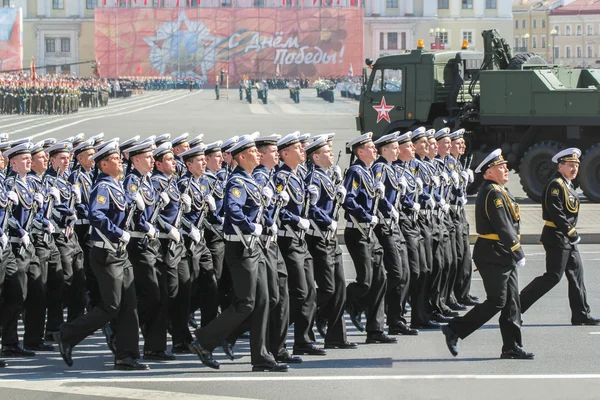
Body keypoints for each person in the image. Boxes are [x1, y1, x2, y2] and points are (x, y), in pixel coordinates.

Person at [189, 134, 288, 372]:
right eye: (253, 152)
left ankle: (261, 356)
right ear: (242, 156)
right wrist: (249, 225)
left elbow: (256, 212)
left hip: (255, 246)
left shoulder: (251, 181)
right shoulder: (238, 182)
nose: (258, 155)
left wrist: (267, 218)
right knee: (246, 303)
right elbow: (233, 210)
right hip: (241, 248)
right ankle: (204, 340)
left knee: (266, 300)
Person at [55, 141, 148, 370]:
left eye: (119, 158)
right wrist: (118, 233)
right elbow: (96, 216)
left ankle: (126, 355)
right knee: (111, 306)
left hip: (120, 254)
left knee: (129, 305)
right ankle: (66, 334)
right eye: (115, 159)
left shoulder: (117, 187)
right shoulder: (103, 187)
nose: (120, 162)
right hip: (106, 253)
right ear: (104, 164)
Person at [442, 149, 533, 360]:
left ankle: (512, 346)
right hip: (493, 253)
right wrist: (517, 250)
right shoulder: (492, 193)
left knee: (512, 303)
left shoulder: (500, 190)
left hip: (501, 253)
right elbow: (502, 225)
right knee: (498, 300)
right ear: (489, 171)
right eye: (501, 167)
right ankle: (455, 329)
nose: (506, 169)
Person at [520, 148, 600, 326]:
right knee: (552, 277)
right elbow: (556, 213)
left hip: (567, 238)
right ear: (560, 166)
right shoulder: (555, 185)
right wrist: (571, 233)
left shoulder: (567, 185)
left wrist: (571, 235)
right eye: (570, 165)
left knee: (576, 274)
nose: (574, 169)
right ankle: (516, 307)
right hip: (557, 236)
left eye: (576, 166)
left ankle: (581, 314)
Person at [123, 139, 175, 361]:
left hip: (152, 244)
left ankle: (155, 347)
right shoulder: (132, 182)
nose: (152, 161)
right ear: (135, 160)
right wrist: (147, 226)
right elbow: (129, 215)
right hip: (138, 244)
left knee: (161, 295)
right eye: (147, 157)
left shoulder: (146, 182)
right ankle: (122, 325)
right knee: (151, 294)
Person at [305, 136, 358, 348]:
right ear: (315, 157)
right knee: (327, 288)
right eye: (327, 152)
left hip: (331, 239)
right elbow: (312, 209)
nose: (330, 154)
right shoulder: (313, 179)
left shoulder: (327, 176)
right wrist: (328, 220)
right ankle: (313, 313)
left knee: (339, 290)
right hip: (318, 238)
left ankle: (337, 337)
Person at [343, 132, 396, 344]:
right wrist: (367, 215)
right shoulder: (355, 172)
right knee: (365, 281)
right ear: (360, 151)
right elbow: (348, 200)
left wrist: (387, 207)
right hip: (357, 231)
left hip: (369, 232)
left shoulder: (368, 172)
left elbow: (374, 200)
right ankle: (344, 303)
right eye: (371, 147)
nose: (375, 150)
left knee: (380, 279)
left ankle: (375, 330)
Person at [274, 132, 324, 356]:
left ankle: (303, 340)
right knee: (298, 293)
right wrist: (297, 220)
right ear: (285, 154)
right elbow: (279, 210)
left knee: (309, 292)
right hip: (288, 239)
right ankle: (276, 339)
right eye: (297, 149)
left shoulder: (297, 176)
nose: (303, 151)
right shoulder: (281, 178)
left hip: (300, 240)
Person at [371, 132, 417, 336]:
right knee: (396, 273)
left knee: (404, 273)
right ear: (384, 150)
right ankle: (375, 307)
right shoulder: (380, 168)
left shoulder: (390, 168)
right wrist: (389, 209)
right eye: (394, 147)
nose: (398, 149)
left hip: (394, 225)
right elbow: (378, 196)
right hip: (384, 225)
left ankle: (396, 319)